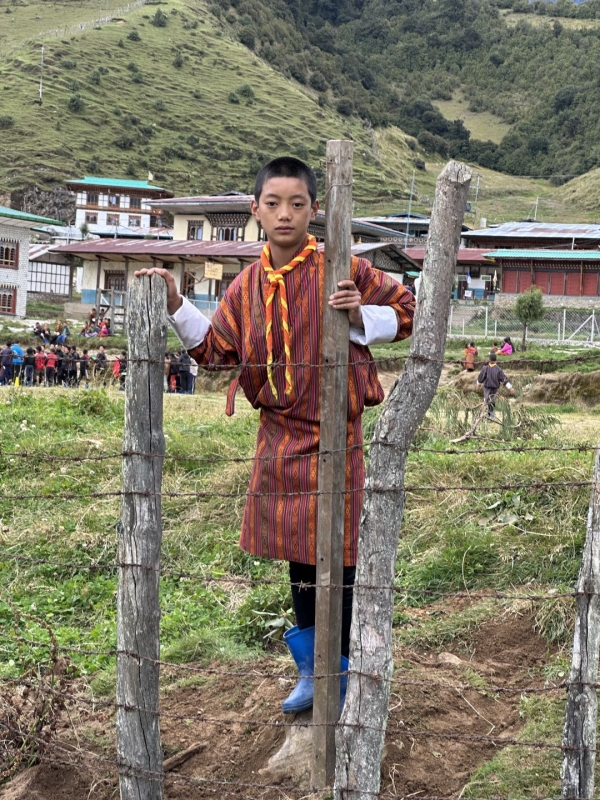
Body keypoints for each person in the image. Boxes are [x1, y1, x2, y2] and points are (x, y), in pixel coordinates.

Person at [135, 156, 415, 714]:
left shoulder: (345, 267)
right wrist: (173, 303)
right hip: (279, 439)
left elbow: (407, 310)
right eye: (273, 203)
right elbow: (216, 351)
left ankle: (349, 668)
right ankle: (314, 671)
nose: (285, 214)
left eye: (297, 203)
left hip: (340, 436)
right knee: (299, 557)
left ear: (314, 210)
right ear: (254, 210)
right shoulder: (246, 286)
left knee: (344, 555)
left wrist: (362, 316)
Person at [477, 352, 514, 420]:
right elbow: (504, 379)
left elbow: (481, 378)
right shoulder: (498, 370)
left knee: (488, 400)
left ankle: (490, 416)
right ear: (495, 360)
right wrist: (510, 388)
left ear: (489, 359)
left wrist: (478, 383)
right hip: (493, 388)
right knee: (490, 401)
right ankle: (489, 415)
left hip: (488, 388)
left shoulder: (486, 368)